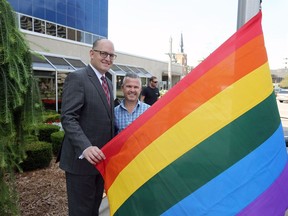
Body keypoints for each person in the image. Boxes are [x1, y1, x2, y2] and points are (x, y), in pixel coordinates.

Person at [58, 38, 116, 216]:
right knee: (81, 212)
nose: (107, 58)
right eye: (103, 53)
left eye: (111, 55)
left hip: (100, 163)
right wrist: (85, 146)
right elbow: (68, 117)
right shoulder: (78, 77)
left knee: (93, 210)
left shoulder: (108, 82)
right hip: (81, 163)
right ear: (92, 54)